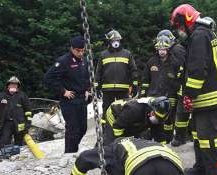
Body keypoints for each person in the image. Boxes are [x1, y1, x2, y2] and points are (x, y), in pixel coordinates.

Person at [170, 4, 217, 175]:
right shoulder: (201, 34)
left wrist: (189, 94)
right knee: (198, 135)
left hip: (209, 97)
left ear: (187, 20)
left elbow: (197, 69)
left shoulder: (199, 35)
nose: (179, 30)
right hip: (204, 96)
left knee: (210, 140)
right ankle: (202, 168)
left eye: (179, 26)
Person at [44, 36, 91, 164]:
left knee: (83, 128)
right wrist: (63, 91)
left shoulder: (84, 61)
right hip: (69, 101)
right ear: (72, 48)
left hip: (82, 100)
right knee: (72, 128)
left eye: (82, 50)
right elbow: (49, 78)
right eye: (78, 51)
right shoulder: (63, 61)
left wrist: (87, 89)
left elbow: (86, 78)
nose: (81, 53)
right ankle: (68, 154)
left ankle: (73, 150)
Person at [141, 35, 182, 143]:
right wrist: (142, 94)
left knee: (168, 120)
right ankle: (149, 140)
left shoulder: (175, 62)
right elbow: (145, 79)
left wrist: (177, 94)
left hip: (170, 96)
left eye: (164, 49)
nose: (162, 52)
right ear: (157, 49)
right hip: (153, 96)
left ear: (168, 49)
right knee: (152, 119)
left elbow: (179, 80)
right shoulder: (151, 62)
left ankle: (168, 140)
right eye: (160, 49)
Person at [71, 137, 184, 175]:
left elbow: (83, 158)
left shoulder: (115, 148)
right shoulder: (146, 142)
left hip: (141, 167)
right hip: (172, 165)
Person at [95, 29, 138, 120]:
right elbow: (98, 72)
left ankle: (123, 129)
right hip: (107, 90)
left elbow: (133, 70)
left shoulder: (127, 54)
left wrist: (134, 85)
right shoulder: (103, 55)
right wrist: (97, 87)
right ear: (109, 42)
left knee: (124, 110)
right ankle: (105, 130)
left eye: (117, 40)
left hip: (123, 89)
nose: (116, 42)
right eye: (113, 40)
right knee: (106, 111)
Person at [104, 96, 170, 145]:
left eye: (159, 119)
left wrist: (163, 148)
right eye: (155, 116)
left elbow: (159, 135)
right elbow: (117, 127)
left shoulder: (160, 114)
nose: (157, 120)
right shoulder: (133, 110)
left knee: (135, 140)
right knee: (111, 143)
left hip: (131, 119)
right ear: (151, 109)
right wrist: (120, 142)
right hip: (115, 115)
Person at [0, 76, 32, 148]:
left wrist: (28, 123)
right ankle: (6, 157)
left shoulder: (22, 95)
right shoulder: (2, 95)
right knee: (4, 143)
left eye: (15, 84)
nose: (14, 85)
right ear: (8, 85)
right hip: (5, 124)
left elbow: (28, 111)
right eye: (12, 84)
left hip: (19, 124)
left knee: (19, 144)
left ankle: (18, 158)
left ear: (18, 86)